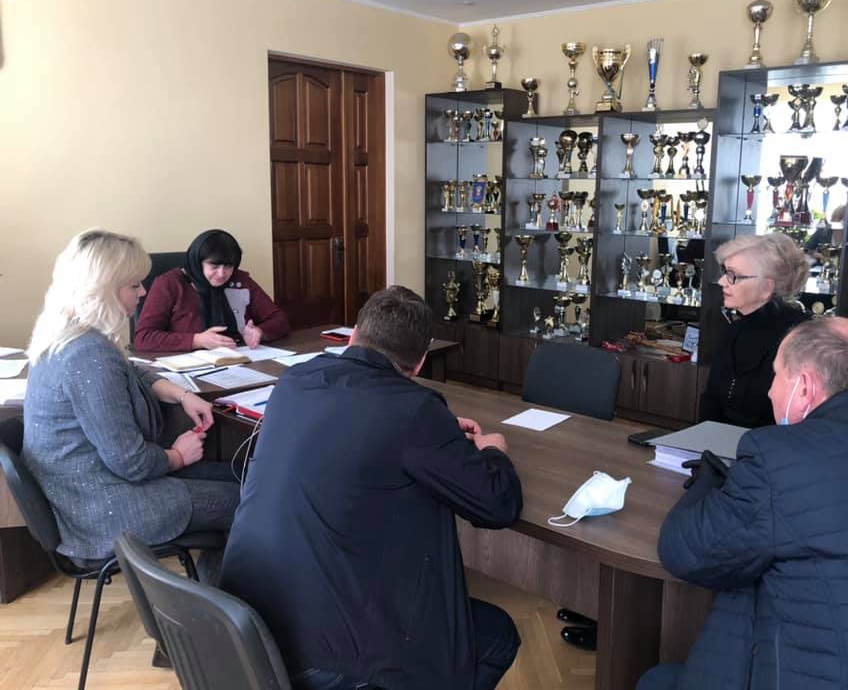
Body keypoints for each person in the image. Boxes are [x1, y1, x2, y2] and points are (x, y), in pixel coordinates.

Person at [220, 286, 523, 690]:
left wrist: (439, 434)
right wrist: (493, 451)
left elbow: (360, 425)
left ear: (352, 337)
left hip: (248, 621)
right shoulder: (415, 411)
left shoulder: (295, 380)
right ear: (419, 363)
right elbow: (498, 504)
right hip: (335, 652)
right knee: (497, 636)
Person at [636, 318, 848, 690]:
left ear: (804, 386)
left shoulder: (781, 456)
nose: (770, 391)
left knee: (656, 680)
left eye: (776, 376)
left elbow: (685, 551)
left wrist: (706, 482)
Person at [23, 229, 239, 574]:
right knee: (251, 502)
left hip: (86, 492)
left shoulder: (67, 336)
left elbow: (129, 371)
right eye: (134, 285)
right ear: (102, 291)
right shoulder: (88, 355)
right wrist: (178, 455)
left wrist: (181, 394)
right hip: (103, 506)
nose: (144, 291)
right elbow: (132, 463)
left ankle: (217, 589)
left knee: (244, 479)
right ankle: (218, 600)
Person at [699, 233, 809, 427]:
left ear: (766, 287)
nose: (722, 281)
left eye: (733, 275)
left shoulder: (801, 339)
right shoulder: (734, 329)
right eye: (724, 272)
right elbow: (711, 402)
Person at [134, 228, 290, 352]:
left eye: (228, 266)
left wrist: (260, 331)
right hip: (189, 366)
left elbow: (280, 319)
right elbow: (143, 338)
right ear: (198, 262)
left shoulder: (240, 281)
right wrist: (197, 340)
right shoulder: (169, 284)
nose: (222, 274)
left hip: (241, 359)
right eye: (214, 266)